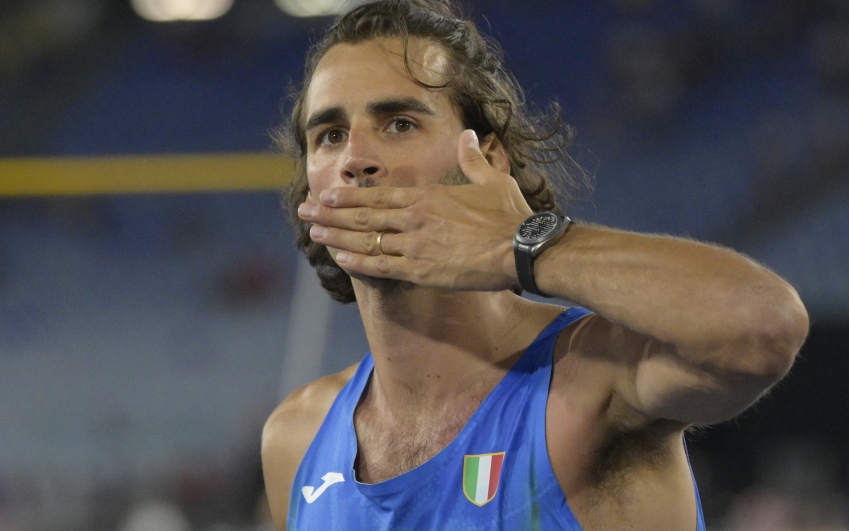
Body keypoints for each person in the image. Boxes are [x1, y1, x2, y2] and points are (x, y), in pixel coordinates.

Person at [260, 1, 809, 530]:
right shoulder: (297, 438)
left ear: (488, 160)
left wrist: (523, 243)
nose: (355, 158)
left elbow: (761, 325)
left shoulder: (591, 379)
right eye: (329, 136)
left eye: (399, 123)